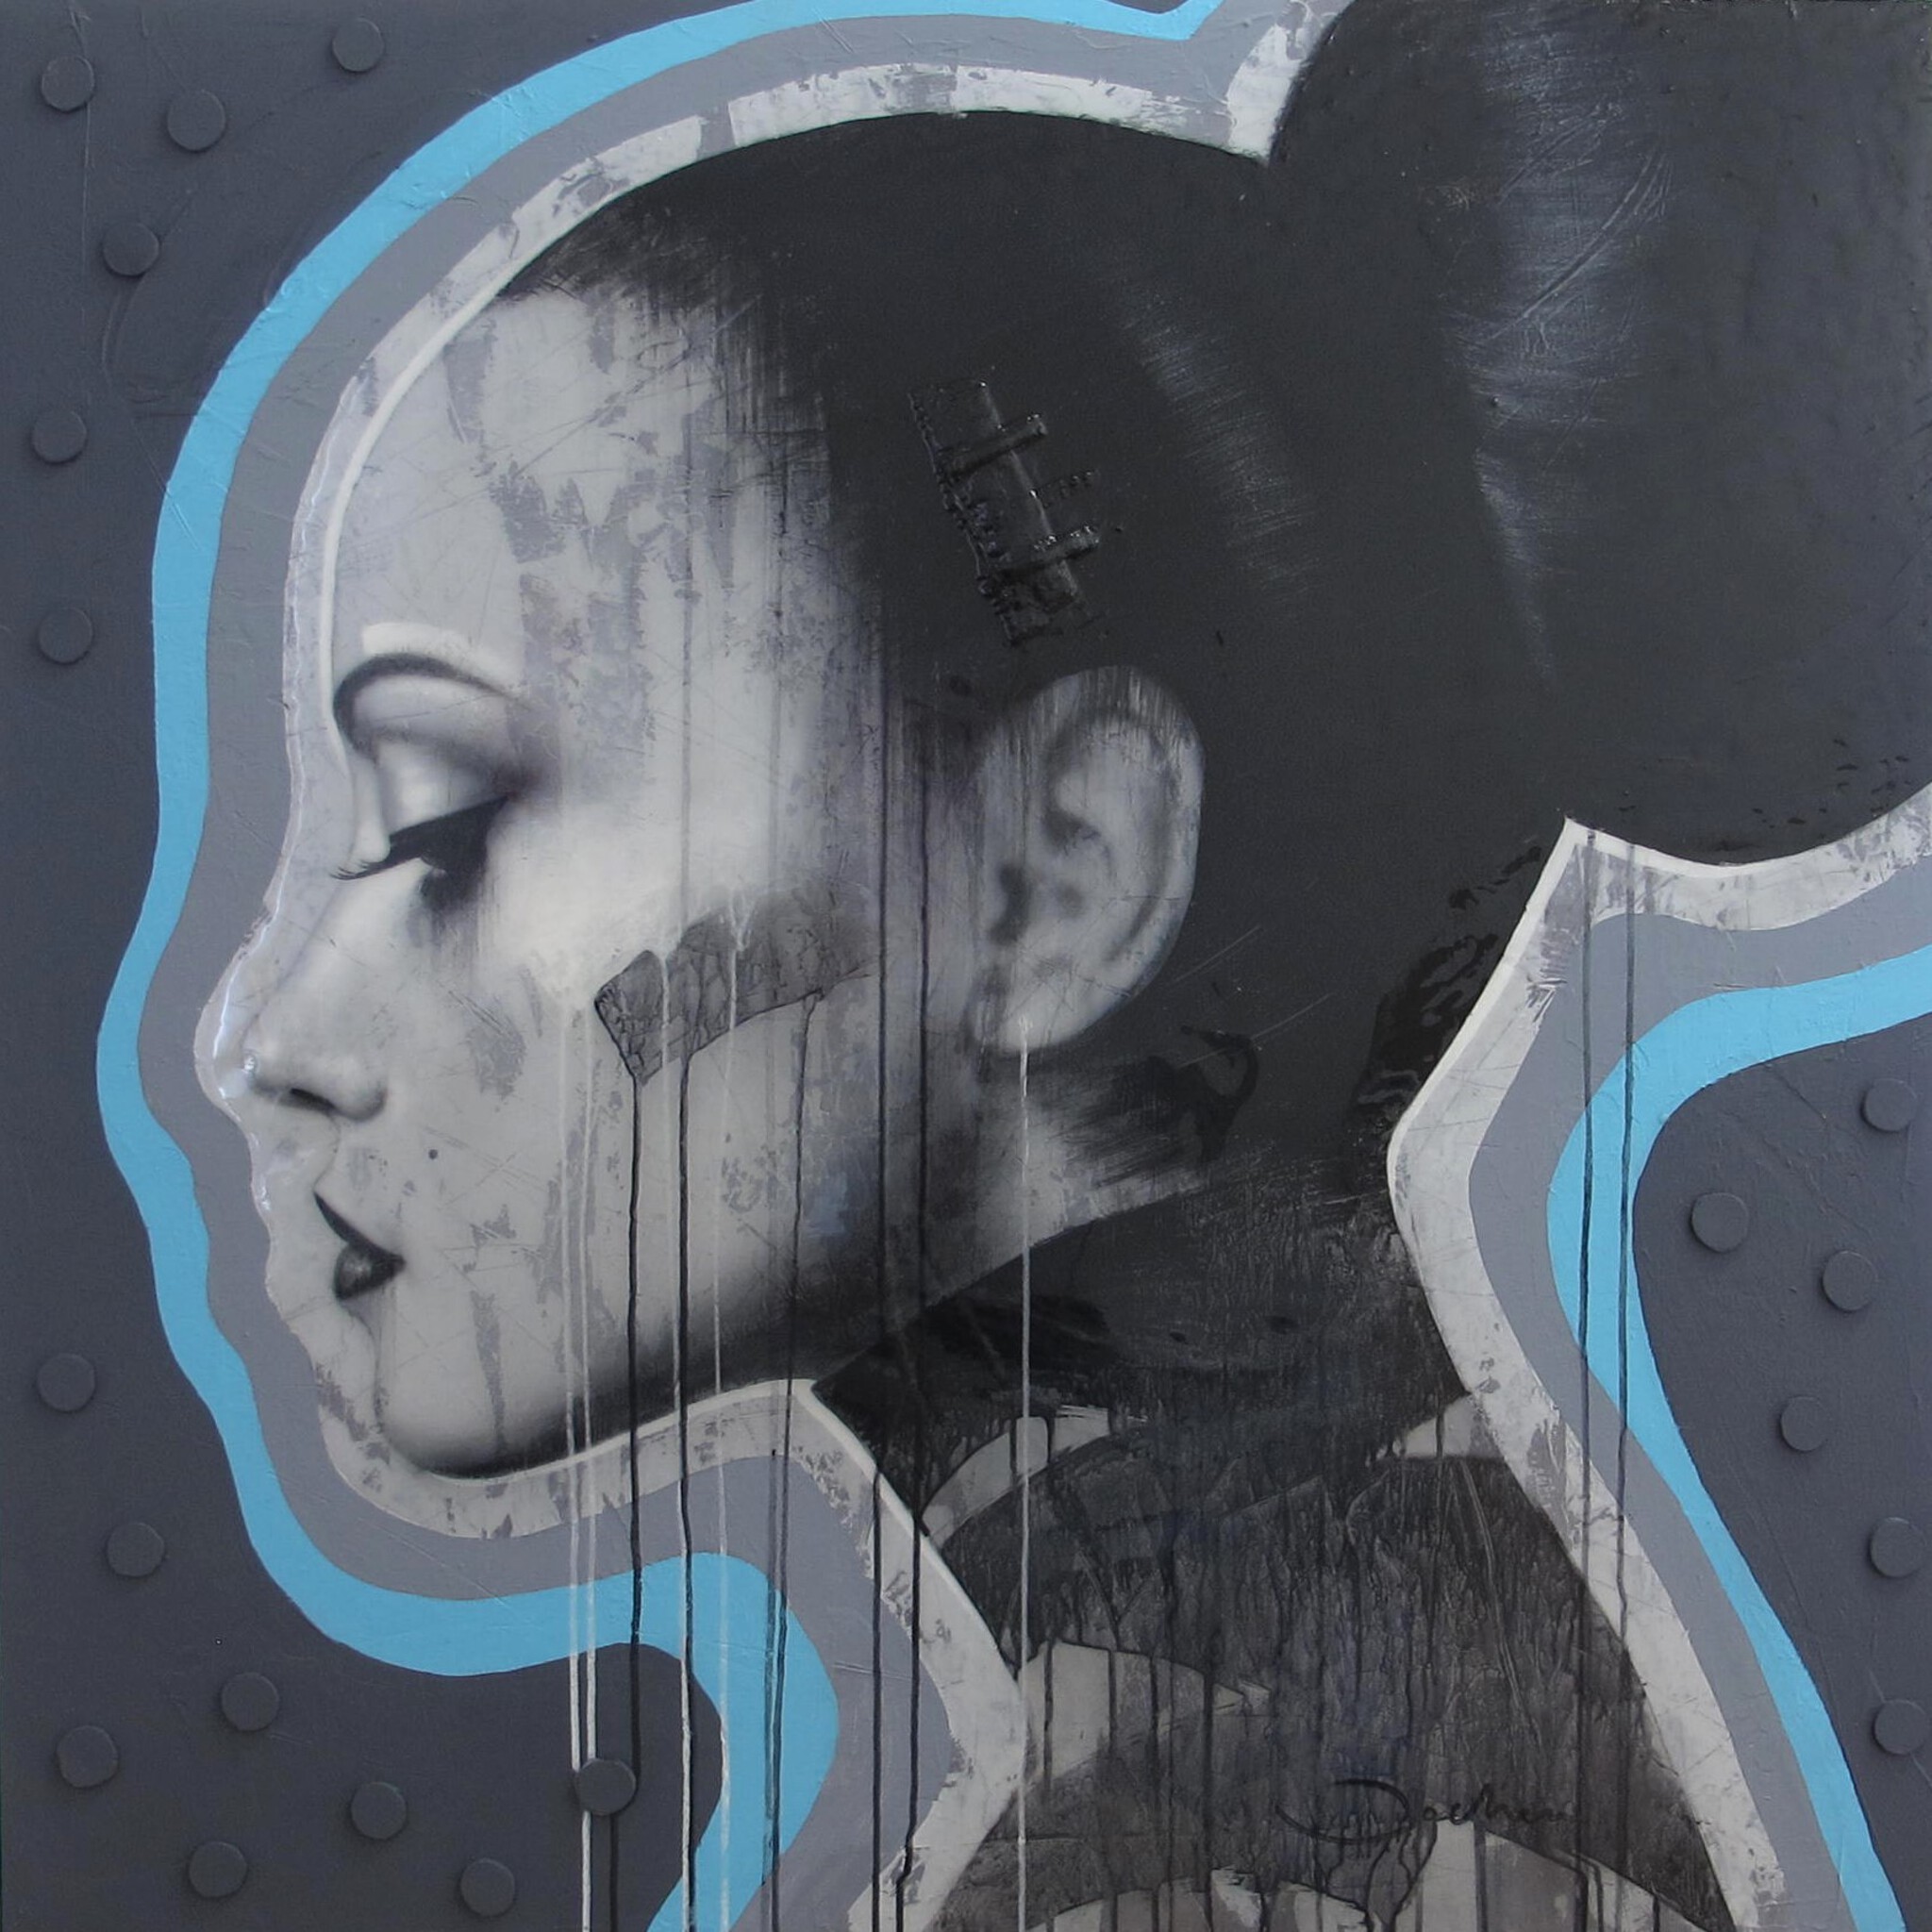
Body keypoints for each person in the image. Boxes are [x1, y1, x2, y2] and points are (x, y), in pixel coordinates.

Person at [208, 0, 1932, 1914]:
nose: (276, 1035)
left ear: (1053, 877)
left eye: (445, 826)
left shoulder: (1200, 1841)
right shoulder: (1362, 1698)